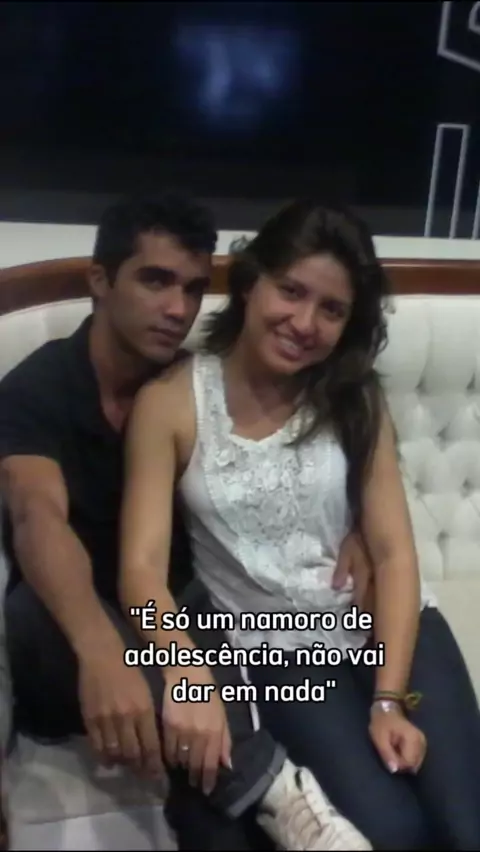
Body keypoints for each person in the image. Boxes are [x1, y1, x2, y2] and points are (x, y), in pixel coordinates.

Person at [0, 193, 373, 851]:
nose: (177, 308)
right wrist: (105, 653)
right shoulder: (39, 388)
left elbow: (285, 468)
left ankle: (255, 797)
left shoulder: (193, 385)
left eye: (194, 288)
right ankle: (279, 789)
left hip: (176, 613)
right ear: (100, 280)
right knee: (36, 606)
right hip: (71, 627)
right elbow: (37, 517)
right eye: (155, 280)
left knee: (213, 808)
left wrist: (356, 526)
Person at [119, 198, 480, 852]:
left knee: (468, 825)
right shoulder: (170, 403)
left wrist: (389, 700)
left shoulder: (353, 395)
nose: (305, 323)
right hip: (280, 651)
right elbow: (141, 570)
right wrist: (183, 667)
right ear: (251, 283)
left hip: (387, 622)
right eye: (291, 291)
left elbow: (394, 555)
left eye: (332, 310)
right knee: (393, 833)